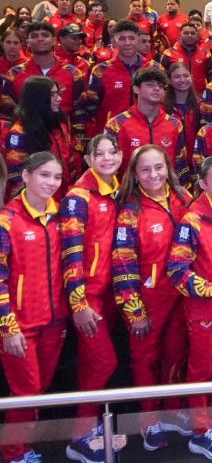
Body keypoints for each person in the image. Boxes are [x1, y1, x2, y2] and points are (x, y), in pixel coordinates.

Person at [112, 144, 191, 450]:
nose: (154, 174)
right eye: (145, 169)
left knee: (175, 353)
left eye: (159, 167)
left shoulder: (183, 197)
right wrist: (135, 311)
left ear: (168, 168)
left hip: (181, 294)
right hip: (147, 298)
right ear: (134, 174)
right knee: (145, 359)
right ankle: (149, 421)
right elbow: (122, 264)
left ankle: (171, 411)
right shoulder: (130, 209)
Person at [167, 156, 212, 461]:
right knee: (200, 369)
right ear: (203, 184)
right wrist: (210, 290)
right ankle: (200, 431)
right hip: (203, 311)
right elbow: (176, 270)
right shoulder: (192, 220)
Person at [0, 152, 67, 463]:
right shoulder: (7, 220)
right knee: (26, 391)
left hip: (54, 322)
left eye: (57, 176)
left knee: (38, 389)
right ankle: (13, 453)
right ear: (26, 176)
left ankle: (23, 446)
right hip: (19, 327)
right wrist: (7, 327)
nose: (51, 182)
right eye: (44, 174)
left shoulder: (61, 216)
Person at [61, 134, 124, 463]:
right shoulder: (78, 197)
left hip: (111, 292)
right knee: (104, 362)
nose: (107, 158)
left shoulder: (117, 190)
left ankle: (88, 428)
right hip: (88, 298)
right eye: (98, 154)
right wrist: (79, 303)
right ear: (87, 160)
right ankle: (80, 435)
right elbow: (70, 255)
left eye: (112, 152)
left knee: (91, 365)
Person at [0, 22, 86, 142]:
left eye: (45, 35)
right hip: (26, 140)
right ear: (27, 42)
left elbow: (79, 110)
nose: (40, 39)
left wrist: (77, 141)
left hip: (63, 140)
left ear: (54, 40)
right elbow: (7, 113)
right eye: (34, 36)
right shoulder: (14, 74)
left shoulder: (73, 73)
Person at [104, 67, 190, 186]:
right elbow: (107, 166)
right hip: (128, 193)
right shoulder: (116, 124)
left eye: (161, 86)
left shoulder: (175, 124)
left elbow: (181, 166)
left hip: (166, 193)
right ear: (136, 89)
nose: (156, 89)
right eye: (150, 85)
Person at [5, 76, 78, 200]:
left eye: (58, 93)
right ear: (38, 99)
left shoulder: (60, 123)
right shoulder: (19, 132)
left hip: (64, 195)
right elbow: (17, 175)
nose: (59, 99)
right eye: (53, 95)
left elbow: (70, 159)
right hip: (36, 200)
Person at [86, 20, 160, 139]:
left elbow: (164, 101)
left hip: (147, 133)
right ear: (114, 41)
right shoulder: (100, 70)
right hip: (112, 135)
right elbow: (91, 107)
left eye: (131, 38)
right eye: (122, 39)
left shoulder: (155, 68)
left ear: (137, 40)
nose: (127, 43)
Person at [160, 22, 212, 94]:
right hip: (176, 95)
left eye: (193, 33)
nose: (189, 35)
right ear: (180, 35)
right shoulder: (169, 53)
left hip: (200, 95)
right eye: (186, 33)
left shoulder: (206, 54)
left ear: (197, 36)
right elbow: (162, 77)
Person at [165, 62, 202, 167]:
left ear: (191, 77)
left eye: (186, 76)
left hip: (197, 162)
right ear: (169, 81)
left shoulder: (201, 106)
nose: (182, 80)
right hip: (173, 163)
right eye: (177, 77)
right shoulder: (162, 108)